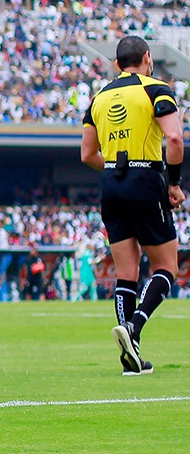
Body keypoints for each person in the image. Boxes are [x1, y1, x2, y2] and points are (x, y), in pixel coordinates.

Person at [81, 36, 184, 376]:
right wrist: (173, 183)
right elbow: (173, 139)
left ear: (117, 63)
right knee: (166, 267)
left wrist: (115, 170)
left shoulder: (99, 98)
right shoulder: (157, 89)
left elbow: (86, 155)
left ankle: (132, 356)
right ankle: (135, 327)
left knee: (126, 272)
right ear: (147, 58)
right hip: (146, 178)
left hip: (111, 182)